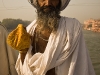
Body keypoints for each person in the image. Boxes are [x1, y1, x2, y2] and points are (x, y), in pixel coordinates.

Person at [15, 0, 96, 75]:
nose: (48, 3)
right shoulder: (30, 30)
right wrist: (22, 50)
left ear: (59, 2)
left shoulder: (72, 27)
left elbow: (80, 66)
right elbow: (24, 67)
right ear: (37, 1)